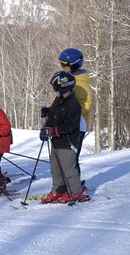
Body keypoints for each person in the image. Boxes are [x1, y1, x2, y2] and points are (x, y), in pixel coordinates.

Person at [39, 71, 89, 204]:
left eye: (56, 87)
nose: (55, 91)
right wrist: (46, 124)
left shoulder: (74, 105)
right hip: (56, 141)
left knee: (68, 168)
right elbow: (54, 116)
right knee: (55, 168)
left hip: (67, 142)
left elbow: (70, 126)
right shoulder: (59, 100)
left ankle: (76, 192)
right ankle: (58, 189)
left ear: (63, 86)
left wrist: (53, 130)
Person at [58, 48, 91, 176]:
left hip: (78, 124)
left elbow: (86, 104)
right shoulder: (70, 80)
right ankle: (68, 185)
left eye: (65, 64)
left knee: (72, 158)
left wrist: (69, 113)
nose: (63, 67)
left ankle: (75, 187)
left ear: (75, 64)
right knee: (66, 158)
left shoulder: (81, 83)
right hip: (69, 124)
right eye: (61, 64)